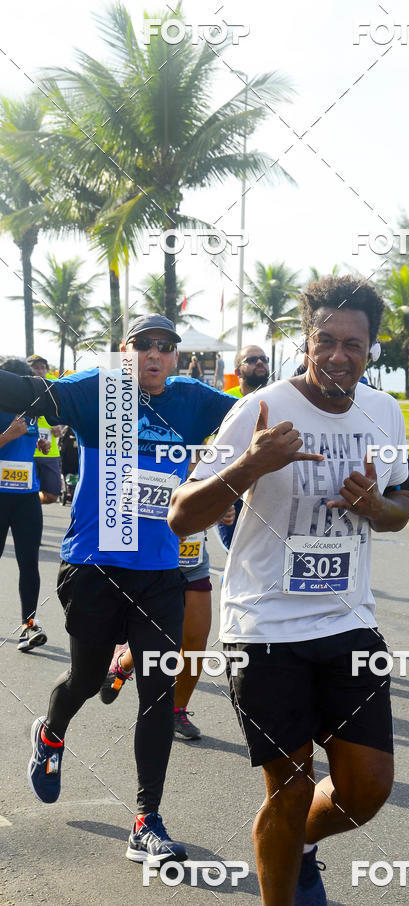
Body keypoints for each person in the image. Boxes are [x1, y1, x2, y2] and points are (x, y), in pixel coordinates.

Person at [169, 275, 409, 906]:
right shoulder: (261, 408)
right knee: (289, 785)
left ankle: (300, 846)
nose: (339, 355)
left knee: (367, 791)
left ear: (372, 347)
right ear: (306, 342)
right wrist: (251, 465)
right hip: (265, 626)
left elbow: (404, 504)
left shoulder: (384, 412)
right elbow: (182, 515)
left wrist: (375, 508)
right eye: (325, 340)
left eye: (353, 344)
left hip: (347, 622)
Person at [0, 315, 236, 864]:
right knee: (85, 676)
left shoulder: (193, 400)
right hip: (94, 563)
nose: (156, 355)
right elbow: (27, 391)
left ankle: (145, 820)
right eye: (144, 345)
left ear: (176, 357)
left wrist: (225, 479)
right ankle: (51, 732)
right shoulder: (95, 392)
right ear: (124, 351)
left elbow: (256, 417)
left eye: (166, 347)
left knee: (157, 692)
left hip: (159, 573)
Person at [100, 508, 236, 741]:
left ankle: (176, 710)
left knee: (195, 640)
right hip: (156, 561)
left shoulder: (210, 470)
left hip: (193, 562)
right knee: (155, 639)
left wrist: (221, 510)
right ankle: (123, 662)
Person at [0, 359, 48, 652]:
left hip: (27, 496)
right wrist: (8, 435)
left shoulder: (32, 410)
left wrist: (39, 443)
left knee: (28, 562)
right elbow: (13, 437)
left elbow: (32, 438)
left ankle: (29, 627)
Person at [216, 345, 270, 550]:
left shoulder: (280, 397)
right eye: (252, 359)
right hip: (231, 489)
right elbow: (207, 445)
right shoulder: (222, 401)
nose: (260, 362)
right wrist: (219, 496)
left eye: (264, 358)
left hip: (266, 491)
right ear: (237, 371)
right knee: (235, 552)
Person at [27, 356, 63, 505]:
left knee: (52, 496)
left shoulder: (54, 387)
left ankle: (29, 503)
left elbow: (61, 415)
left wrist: (59, 426)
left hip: (50, 453)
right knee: (24, 490)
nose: (40, 371)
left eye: (42, 368)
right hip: (28, 452)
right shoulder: (21, 389)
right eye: (36, 368)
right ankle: (27, 505)